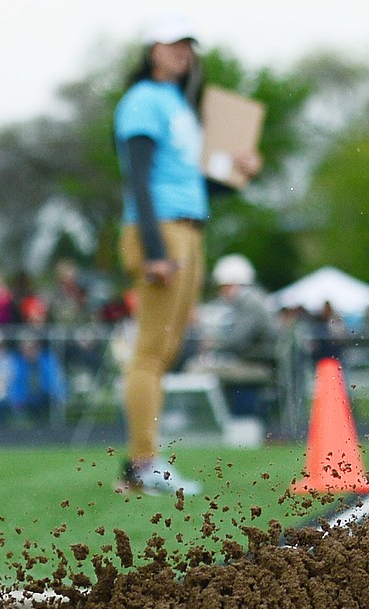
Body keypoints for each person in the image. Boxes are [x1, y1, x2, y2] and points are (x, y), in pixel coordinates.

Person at [113, 13, 262, 495]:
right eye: (173, 43)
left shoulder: (177, 103)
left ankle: (141, 464)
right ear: (152, 48)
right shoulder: (142, 100)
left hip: (188, 230)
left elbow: (193, 184)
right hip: (162, 233)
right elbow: (139, 178)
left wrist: (239, 171)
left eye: (188, 45)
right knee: (151, 352)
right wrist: (155, 250)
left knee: (165, 351)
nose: (183, 52)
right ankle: (142, 464)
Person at [188, 253, 278, 419]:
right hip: (258, 362)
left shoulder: (251, 304)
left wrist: (213, 345)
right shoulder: (254, 300)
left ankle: (208, 420)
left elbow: (237, 341)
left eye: (225, 286)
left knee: (197, 369)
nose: (222, 292)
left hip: (259, 365)